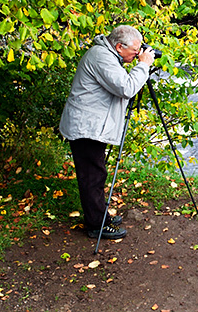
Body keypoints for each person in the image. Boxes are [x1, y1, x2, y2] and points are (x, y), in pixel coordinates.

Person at [59, 25, 155, 239]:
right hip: (86, 127)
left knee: (95, 172)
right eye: (135, 50)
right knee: (92, 176)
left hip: (90, 124)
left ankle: (100, 216)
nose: (138, 54)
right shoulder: (101, 57)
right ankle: (97, 225)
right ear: (119, 46)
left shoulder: (108, 55)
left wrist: (140, 65)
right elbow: (126, 88)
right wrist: (144, 66)